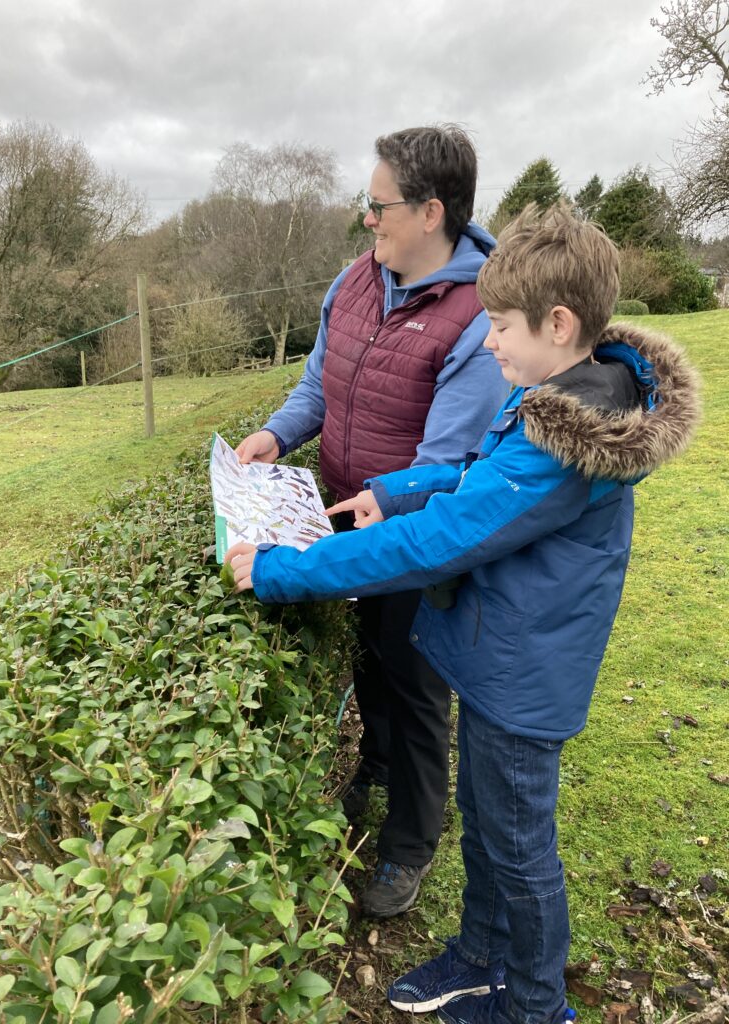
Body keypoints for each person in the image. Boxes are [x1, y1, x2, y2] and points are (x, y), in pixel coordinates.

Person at [225, 202, 700, 1024]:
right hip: (500, 665)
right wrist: (398, 488)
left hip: (521, 681)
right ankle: (481, 959)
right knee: (487, 829)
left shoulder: (564, 433)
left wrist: (283, 567)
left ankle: (534, 1005)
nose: (487, 343)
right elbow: (480, 484)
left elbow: (440, 542)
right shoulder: (568, 393)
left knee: (519, 852)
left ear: (557, 322)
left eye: (500, 326)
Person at [235, 125, 508, 918]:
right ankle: (376, 768)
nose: (367, 218)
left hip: (416, 535)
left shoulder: (475, 316)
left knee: (417, 680)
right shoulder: (353, 283)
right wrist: (275, 434)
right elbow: (317, 386)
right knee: (369, 661)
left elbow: (445, 459)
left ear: (430, 212)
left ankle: (411, 842)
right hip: (348, 518)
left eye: (377, 203)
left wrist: (385, 510)